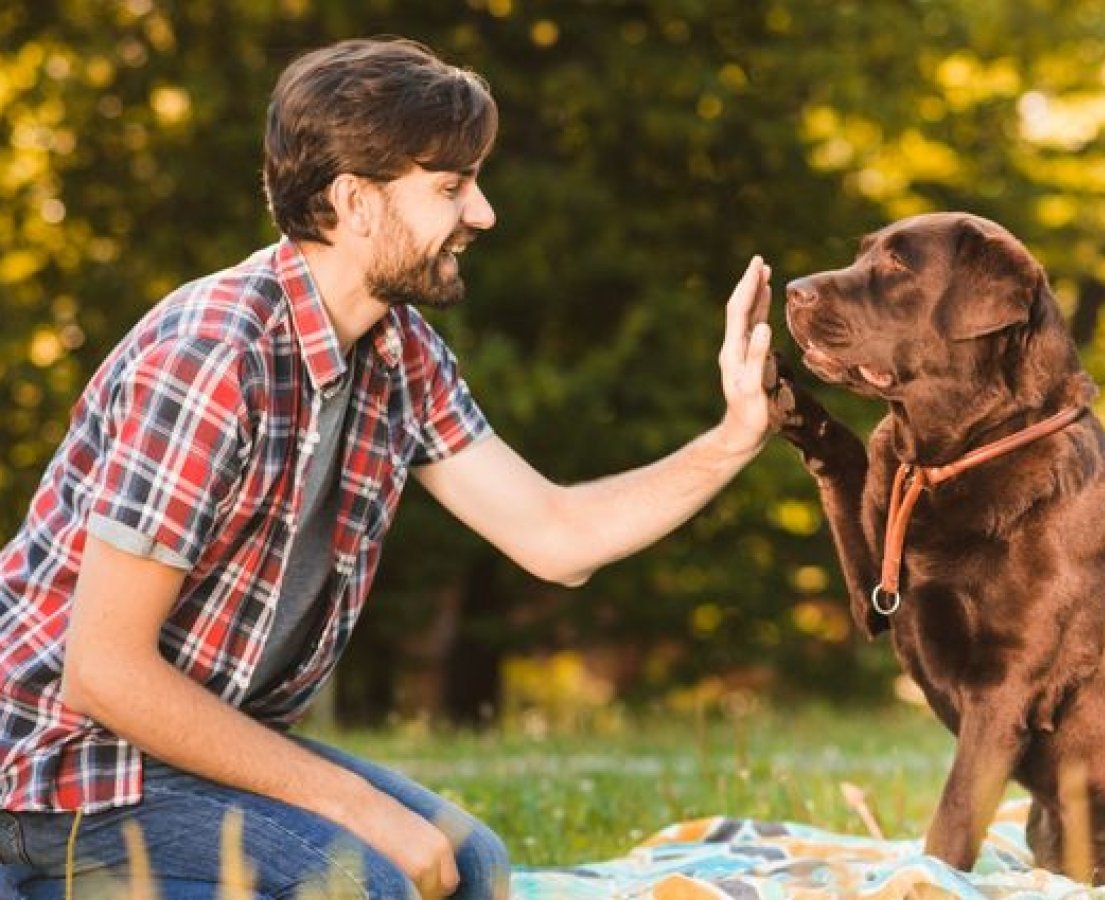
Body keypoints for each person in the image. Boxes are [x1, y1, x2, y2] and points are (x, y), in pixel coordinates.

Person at [0, 37, 775, 900]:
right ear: (353, 202)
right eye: (450, 188)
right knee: (362, 879)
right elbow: (104, 671)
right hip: (60, 769)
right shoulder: (216, 357)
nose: (482, 214)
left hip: (181, 752)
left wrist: (732, 438)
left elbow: (557, 538)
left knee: (471, 866)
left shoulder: (400, 355)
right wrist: (354, 806)